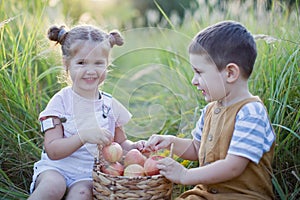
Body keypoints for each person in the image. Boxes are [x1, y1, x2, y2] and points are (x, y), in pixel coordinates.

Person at [145, 20, 276, 199]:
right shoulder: (209, 111)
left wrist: (185, 176)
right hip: (204, 195)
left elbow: (233, 166)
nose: (194, 80)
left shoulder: (250, 112)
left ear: (230, 73)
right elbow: (196, 148)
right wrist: (171, 142)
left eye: (199, 72)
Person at [28, 25, 145, 200]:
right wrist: (83, 136)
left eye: (98, 63)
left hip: (87, 175)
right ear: (66, 64)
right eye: (81, 62)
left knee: (82, 193)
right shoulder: (60, 102)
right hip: (56, 168)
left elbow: (120, 143)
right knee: (53, 187)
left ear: (107, 65)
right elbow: (52, 150)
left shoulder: (109, 105)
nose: (91, 70)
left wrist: (134, 148)